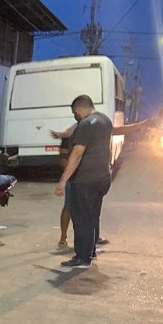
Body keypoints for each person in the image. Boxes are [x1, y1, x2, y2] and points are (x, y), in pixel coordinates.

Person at [52, 116, 151, 253]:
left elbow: (118, 130)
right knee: (70, 207)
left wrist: (140, 125)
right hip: (75, 178)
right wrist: (70, 174)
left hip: (91, 178)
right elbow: (64, 159)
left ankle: (92, 239)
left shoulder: (94, 131)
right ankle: (64, 238)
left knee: (92, 210)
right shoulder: (71, 135)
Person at [55, 94, 113, 268]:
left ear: (79, 109)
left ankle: (82, 257)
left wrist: (62, 181)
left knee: (81, 219)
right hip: (102, 177)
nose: (76, 116)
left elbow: (77, 154)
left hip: (86, 180)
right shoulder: (105, 121)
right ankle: (91, 251)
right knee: (93, 216)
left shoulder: (85, 125)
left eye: (75, 113)